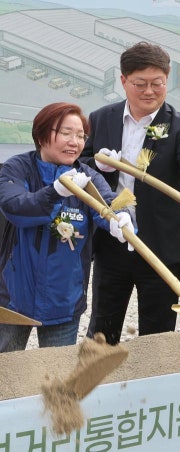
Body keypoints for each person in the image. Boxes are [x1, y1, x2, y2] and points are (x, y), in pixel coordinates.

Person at [80, 41, 180, 345]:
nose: (149, 91)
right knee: (103, 325)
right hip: (114, 238)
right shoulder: (101, 118)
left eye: (158, 83)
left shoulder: (179, 124)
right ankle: (97, 384)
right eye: (141, 84)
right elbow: (79, 163)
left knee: (158, 332)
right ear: (124, 81)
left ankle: (152, 387)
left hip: (161, 245)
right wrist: (96, 163)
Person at [0, 103, 133, 351]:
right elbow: (15, 206)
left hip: (64, 300)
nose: (75, 142)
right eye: (66, 133)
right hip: (12, 300)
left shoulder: (87, 177)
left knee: (56, 376)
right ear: (41, 135)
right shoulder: (17, 168)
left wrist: (122, 217)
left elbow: (108, 203)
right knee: (5, 373)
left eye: (81, 136)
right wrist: (55, 192)